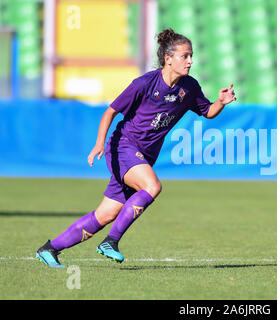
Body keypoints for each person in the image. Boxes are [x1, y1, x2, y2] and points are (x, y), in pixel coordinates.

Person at [35, 28, 236, 267]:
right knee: (152, 186)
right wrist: (99, 143)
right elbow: (111, 111)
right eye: (185, 56)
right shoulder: (144, 84)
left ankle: (50, 249)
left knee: (106, 214)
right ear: (168, 58)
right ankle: (111, 241)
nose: (190, 61)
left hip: (143, 157)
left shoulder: (189, 87)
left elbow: (208, 112)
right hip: (123, 147)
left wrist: (221, 102)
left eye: (191, 55)